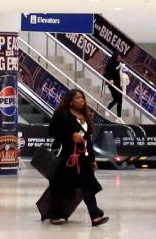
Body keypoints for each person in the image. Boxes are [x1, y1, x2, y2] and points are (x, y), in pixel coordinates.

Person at [43, 89, 110, 227]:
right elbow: (52, 132)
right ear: (71, 100)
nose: (82, 100)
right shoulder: (62, 114)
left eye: (83, 98)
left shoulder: (85, 115)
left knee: (88, 185)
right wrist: (70, 136)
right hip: (65, 156)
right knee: (58, 184)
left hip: (82, 158)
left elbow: (88, 140)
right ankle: (55, 215)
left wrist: (92, 159)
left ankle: (95, 215)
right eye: (78, 98)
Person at [104, 51, 124, 118]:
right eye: (118, 57)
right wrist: (110, 79)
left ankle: (119, 116)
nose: (119, 58)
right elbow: (107, 73)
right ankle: (107, 109)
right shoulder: (110, 63)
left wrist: (122, 68)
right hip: (111, 83)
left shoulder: (118, 63)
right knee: (116, 98)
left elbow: (119, 71)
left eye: (120, 57)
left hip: (118, 83)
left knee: (120, 99)